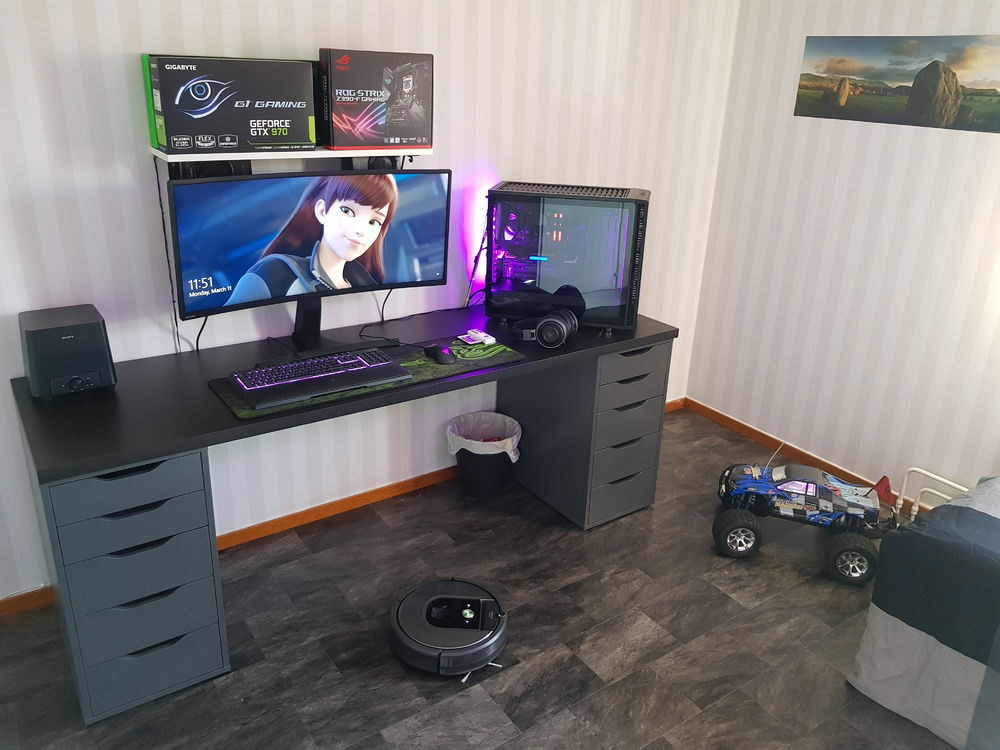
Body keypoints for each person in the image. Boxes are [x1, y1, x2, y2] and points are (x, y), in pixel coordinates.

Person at [225, 173, 398, 305]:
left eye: (374, 221)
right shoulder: (274, 274)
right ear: (322, 211)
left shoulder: (369, 290)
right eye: (347, 211)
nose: (360, 230)